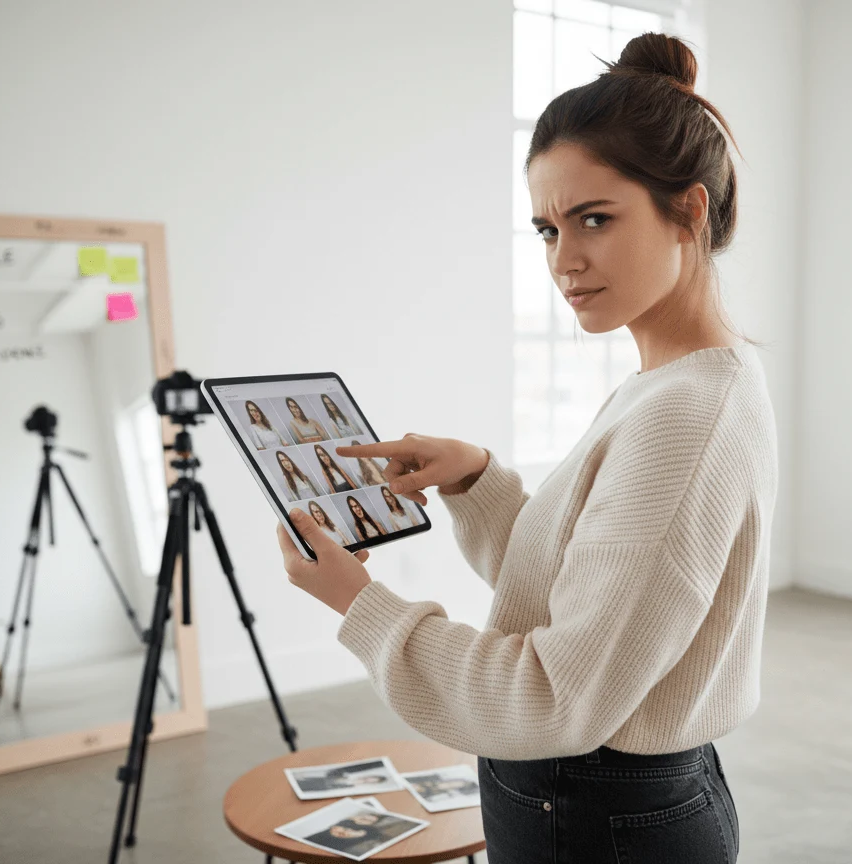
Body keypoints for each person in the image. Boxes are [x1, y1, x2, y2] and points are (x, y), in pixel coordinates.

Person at [277, 33, 776, 864]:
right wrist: (476, 481)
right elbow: (593, 592)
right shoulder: (679, 383)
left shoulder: (685, 415)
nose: (564, 260)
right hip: (604, 802)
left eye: (594, 219)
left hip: (595, 814)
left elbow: (554, 696)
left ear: (689, 210)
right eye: (547, 229)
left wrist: (359, 603)